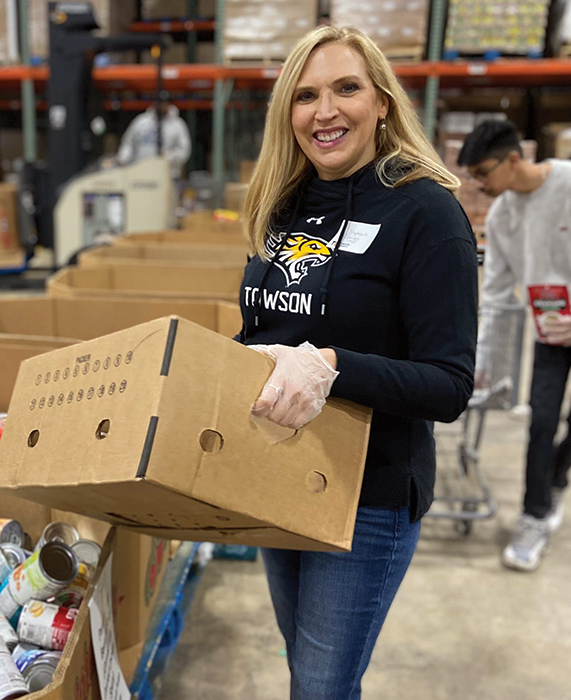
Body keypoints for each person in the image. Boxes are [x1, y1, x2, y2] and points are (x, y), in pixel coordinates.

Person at [236, 25, 478, 699]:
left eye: (347, 88)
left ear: (382, 103)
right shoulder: (281, 206)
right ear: (288, 113)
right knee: (309, 672)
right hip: (274, 474)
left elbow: (450, 384)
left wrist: (335, 364)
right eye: (306, 95)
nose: (326, 111)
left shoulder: (425, 211)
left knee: (319, 686)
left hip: (366, 494)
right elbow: (266, 331)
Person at [458, 120, 571, 572]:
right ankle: (534, 515)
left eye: (484, 172)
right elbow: (499, 293)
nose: (480, 185)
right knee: (540, 421)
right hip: (549, 333)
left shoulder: (567, 183)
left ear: (513, 159)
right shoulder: (503, 217)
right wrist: (480, 361)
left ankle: (557, 473)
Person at [116, 93, 191, 180]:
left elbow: (184, 151)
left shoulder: (178, 125)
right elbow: (128, 142)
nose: (161, 106)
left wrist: (169, 157)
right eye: (158, 102)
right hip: (140, 174)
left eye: (164, 103)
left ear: (169, 105)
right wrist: (123, 159)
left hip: (167, 175)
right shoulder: (141, 122)